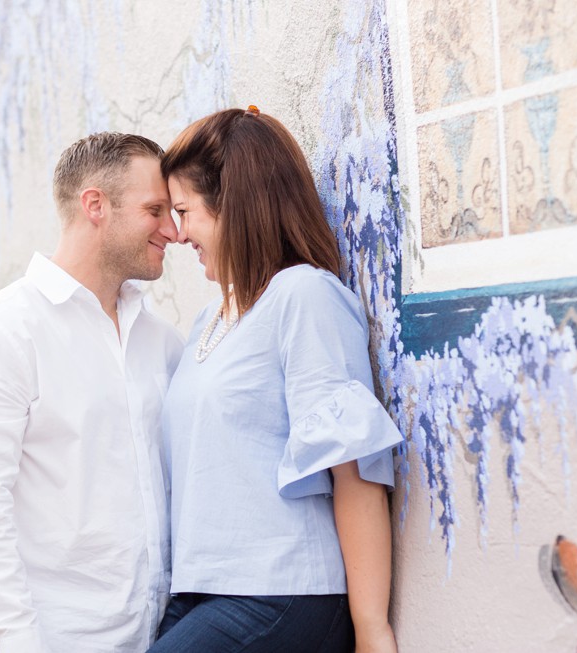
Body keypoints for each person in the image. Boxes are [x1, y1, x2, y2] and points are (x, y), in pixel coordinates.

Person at [149, 106, 403, 653]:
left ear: (233, 207)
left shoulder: (303, 296)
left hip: (283, 591)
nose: (175, 232)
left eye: (184, 210)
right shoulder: (209, 322)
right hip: (200, 591)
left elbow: (353, 468)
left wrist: (371, 628)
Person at [0, 132, 183, 653]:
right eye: (155, 210)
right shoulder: (1, 335)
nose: (173, 230)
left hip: (162, 635)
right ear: (96, 205)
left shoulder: (160, 340)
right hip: (58, 639)